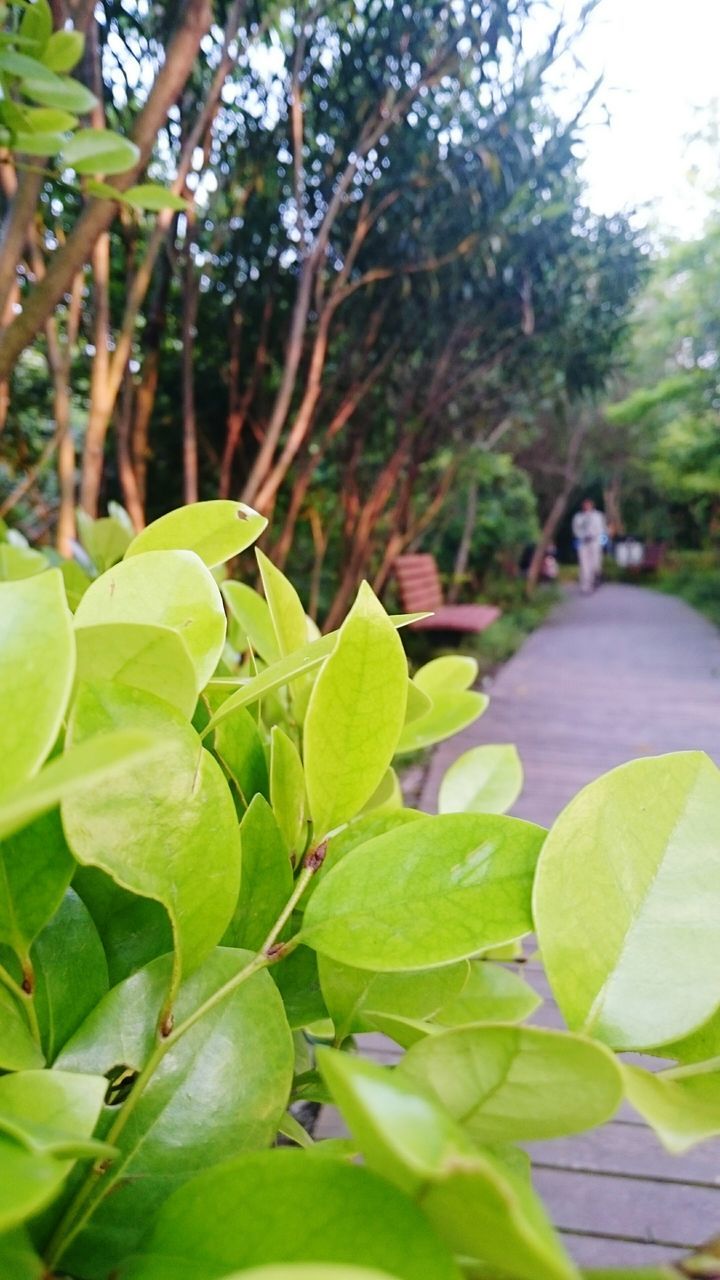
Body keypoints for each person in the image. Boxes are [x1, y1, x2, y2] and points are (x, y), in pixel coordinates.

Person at [572, 498, 606, 594]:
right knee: (584, 565)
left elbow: (602, 529)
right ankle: (586, 586)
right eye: (585, 505)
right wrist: (581, 536)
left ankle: (596, 578)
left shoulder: (598, 516)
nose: (587, 506)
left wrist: (599, 540)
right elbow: (575, 530)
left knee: (595, 564)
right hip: (583, 543)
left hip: (594, 542)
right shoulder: (578, 517)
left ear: (592, 505)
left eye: (588, 504)